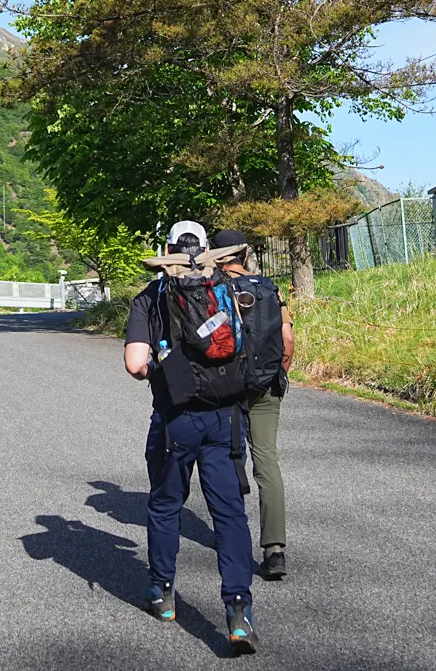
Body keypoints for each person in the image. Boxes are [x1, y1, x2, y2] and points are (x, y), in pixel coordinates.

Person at [124, 220, 257, 654]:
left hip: (175, 418)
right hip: (225, 416)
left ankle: (163, 594)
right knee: (229, 514)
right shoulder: (229, 288)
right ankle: (238, 611)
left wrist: (161, 368)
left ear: (168, 249)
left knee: (165, 506)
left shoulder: (152, 297)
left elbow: (135, 364)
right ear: (205, 249)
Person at [212, 228, 293, 581]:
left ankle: (233, 538)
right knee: (267, 461)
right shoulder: (269, 288)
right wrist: (278, 373)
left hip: (227, 387)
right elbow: (287, 339)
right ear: (244, 254)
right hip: (267, 384)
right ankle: (274, 550)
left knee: (226, 456)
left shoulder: (213, 290)